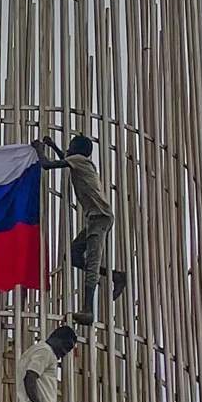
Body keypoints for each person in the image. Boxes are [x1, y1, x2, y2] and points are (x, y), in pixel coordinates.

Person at [32, 135, 126, 326]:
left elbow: (48, 165)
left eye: (70, 145)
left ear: (77, 149)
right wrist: (54, 146)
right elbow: (64, 161)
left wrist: (38, 149)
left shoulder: (78, 160)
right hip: (97, 217)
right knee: (73, 256)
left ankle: (88, 310)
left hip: (99, 217)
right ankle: (115, 275)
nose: (67, 149)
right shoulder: (81, 162)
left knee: (92, 261)